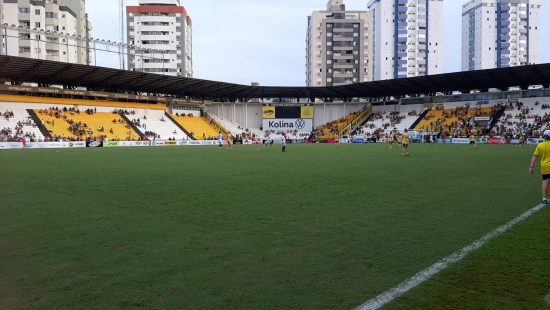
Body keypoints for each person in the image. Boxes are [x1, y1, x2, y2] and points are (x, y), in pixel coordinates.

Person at [529, 130, 550, 204]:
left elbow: (535, 156)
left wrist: (531, 167)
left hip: (545, 166)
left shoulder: (540, 145)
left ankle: (544, 198)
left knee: (545, 181)